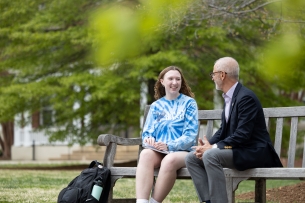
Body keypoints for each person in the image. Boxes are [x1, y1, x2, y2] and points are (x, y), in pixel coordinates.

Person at [185, 57, 283, 203]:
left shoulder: (246, 98)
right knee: (191, 158)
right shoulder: (229, 97)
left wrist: (213, 148)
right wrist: (206, 146)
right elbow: (223, 130)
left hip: (254, 152)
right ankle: (208, 201)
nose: (212, 78)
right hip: (238, 150)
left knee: (211, 156)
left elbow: (242, 135)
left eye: (213, 74)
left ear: (222, 75)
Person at [136, 66, 199, 203]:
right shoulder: (156, 106)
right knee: (145, 154)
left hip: (183, 152)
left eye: (178, 79)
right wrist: (149, 139)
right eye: (171, 79)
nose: (175, 82)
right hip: (159, 150)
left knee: (169, 160)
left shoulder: (189, 103)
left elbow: (190, 136)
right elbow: (147, 133)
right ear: (162, 82)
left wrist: (169, 145)